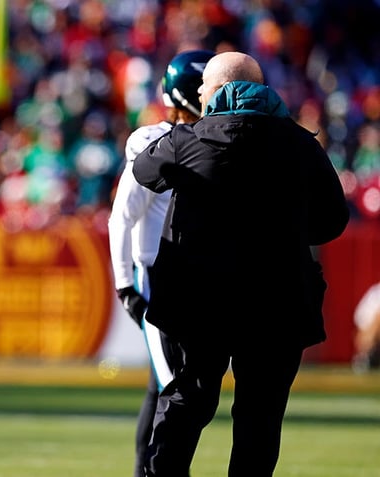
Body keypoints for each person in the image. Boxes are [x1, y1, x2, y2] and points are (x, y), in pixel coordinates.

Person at [132, 51, 350, 477]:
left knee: (184, 408)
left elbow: (144, 170)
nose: (198, 95)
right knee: (260, 421)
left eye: (204, 89)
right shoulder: (303, 145)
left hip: (199, 305)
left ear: (220, 90)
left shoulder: (188, 140)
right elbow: (333, 221)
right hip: (278, 305)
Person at [107, 49, 214, 477]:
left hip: (191, 275)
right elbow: (123, 215)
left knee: (165, 385)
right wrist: (124, 284)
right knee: (173, 386)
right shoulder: (154, 141)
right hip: (156, 275)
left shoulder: (215, 137)